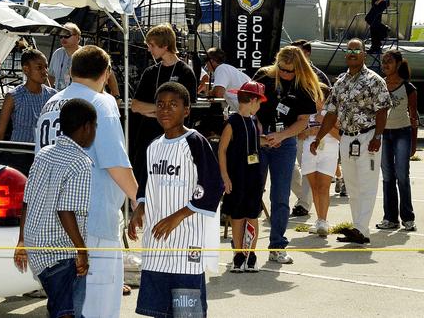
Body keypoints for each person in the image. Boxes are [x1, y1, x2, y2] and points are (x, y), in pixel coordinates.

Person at [35, 45, 137, 318]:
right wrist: (140, 200)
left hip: (53, 223)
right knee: (97, 306)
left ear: (70, 71)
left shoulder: (50, 104)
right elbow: (115, 162)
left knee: (64, 306)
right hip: (92, 220)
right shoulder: (101, 103)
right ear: (106, 74)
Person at [128, 82, 223, 317]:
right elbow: (146, 184)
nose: (166, 110)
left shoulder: (194, 141)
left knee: (186, 311)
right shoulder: (153, 147)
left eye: (173, 104)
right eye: (160, 105)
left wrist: (178, 216)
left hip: (186, 242)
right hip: (156, 243)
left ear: (187, 110)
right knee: (159, 310)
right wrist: (139, 208)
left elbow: (212, 185)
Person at [15, 99, 98, 318]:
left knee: (61, 308)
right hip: (59, 250)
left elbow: (26, 201)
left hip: (37, 247)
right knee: (66, 312)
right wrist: (82, 251)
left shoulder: (44, 154)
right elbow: (65, 210)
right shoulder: (81, 162)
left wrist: (22, 240)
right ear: (87, 127)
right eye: (95, 127)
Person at [310, 39, 392, 244]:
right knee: (353, 185)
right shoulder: (340, 82)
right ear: (346, 55)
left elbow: (382, 110)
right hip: (346, 138)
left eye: (357, 50)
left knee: (366, 183)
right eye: (349, 50)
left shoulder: (374, 80)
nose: (353, 53)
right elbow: (331, 113)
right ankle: (359, 229)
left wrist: (377, 136)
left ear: (364, 54)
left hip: (367, 137)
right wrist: (318, 137)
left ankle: (362, 229)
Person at [253, 46, 322, 263]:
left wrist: (282, 135)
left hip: (285, 142)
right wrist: (259, 131)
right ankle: (245, 247)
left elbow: (303, 121)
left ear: (299, 68)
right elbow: (248, 107)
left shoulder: (305, 85)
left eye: (290, 71)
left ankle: (277, 245)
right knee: (252, 193)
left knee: (281, 196)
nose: (285, 74)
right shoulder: (263, 76)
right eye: (282, 69)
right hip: (259, 140)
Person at [131, 24, 197, 189]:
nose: (149, 50)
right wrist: (162, 110)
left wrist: (153, 111)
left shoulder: (185, 72)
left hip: (174, 139)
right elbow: (135, 106)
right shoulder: (150, 72)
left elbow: (185, 109)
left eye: (152, 45)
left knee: (170, 185)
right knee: (144, 185)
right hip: (147, 138)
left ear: (165, 45)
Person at [218, 81, 267, 272]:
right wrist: (225, 177)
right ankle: (238, 254)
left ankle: (251, 254)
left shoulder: (254, 121)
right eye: (259, 102)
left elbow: (252, 144)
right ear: (252, 100)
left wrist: (267, 141)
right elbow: (222, 150)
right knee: (237, 216)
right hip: (236, 177)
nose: (260, 106)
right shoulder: (232, 122)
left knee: (252, 214)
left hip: (254, 176)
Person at [376, 49, 418, 231]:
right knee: (387, 177)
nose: (385, 64)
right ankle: (390, 218)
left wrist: (414, 144)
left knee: (402, 176)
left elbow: (414, 117)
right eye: (383, 61)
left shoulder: (409, 88)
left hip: (402, 133)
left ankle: (408, 218)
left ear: (398, 64)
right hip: (384, 134)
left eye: (389, 61)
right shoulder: (379, 85)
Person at [289, 39, 331, 217]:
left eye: (297, 53)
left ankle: (304, 204)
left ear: (307, 54)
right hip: (289, 127)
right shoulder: (288, 73)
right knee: (290, 169)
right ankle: (304, 197)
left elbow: (327, 107)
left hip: (311, 130)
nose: (293, 57)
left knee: (306, 166)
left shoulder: (318, 76)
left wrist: (317, 129)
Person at [300, 84, 340, 236]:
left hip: (328, 152)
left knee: (323, 187)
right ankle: (319, 220)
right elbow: (298, 135)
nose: (317, 100)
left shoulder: (333, 113)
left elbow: (340, 136)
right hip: (309, 152)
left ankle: (323, 221)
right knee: (315, 187)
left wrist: (326, 125)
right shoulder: (305, 113)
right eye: (314, 96)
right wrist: (309, 131)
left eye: (320, 97)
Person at [0, 48, 56, 143]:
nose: (45, 72)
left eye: (46, 67)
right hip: (18, 154)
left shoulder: (53, 95)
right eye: (39, 67)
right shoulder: (13, 96)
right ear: (26, 69)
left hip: (43, 155)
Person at [48, 22, 121, 98]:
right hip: (62, 99)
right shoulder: (57, 54)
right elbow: (51, 76)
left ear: (78, 37)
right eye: (61, 36)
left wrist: (116, 96)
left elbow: (109, 73)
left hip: (86, 100)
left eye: (67, 35)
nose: (63, 38)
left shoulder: (88, 54)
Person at [202, 47, 250, 112]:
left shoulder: (221, 69)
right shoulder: (226, 68)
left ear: (212, 60)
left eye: (206, 59)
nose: (205, 64)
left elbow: (218, 93)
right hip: (248, 109)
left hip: (248, 111)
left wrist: (210, 93)